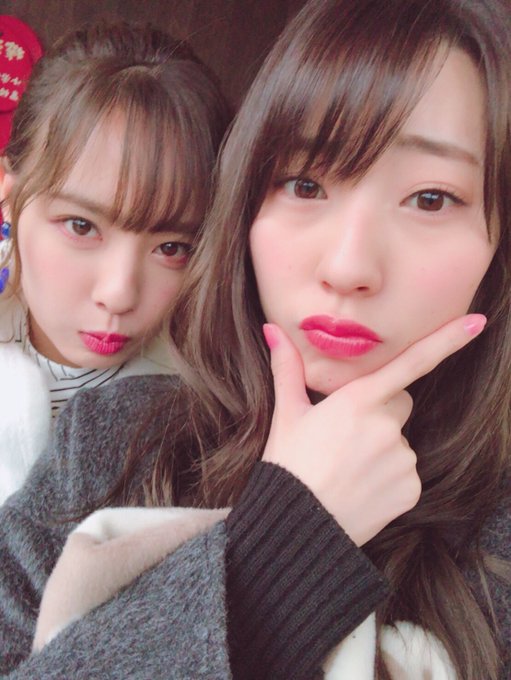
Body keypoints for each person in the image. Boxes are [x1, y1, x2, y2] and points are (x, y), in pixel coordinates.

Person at [1, 0, 510, 678]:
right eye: (305, 183)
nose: (347, 266)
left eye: (431, 198)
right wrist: (285, 547)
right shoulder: (106, 444)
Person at [0, 20, 230, 504]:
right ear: (9, 197)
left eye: (173, 247)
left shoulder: (211, 411)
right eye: (82, 226)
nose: (119, 294)